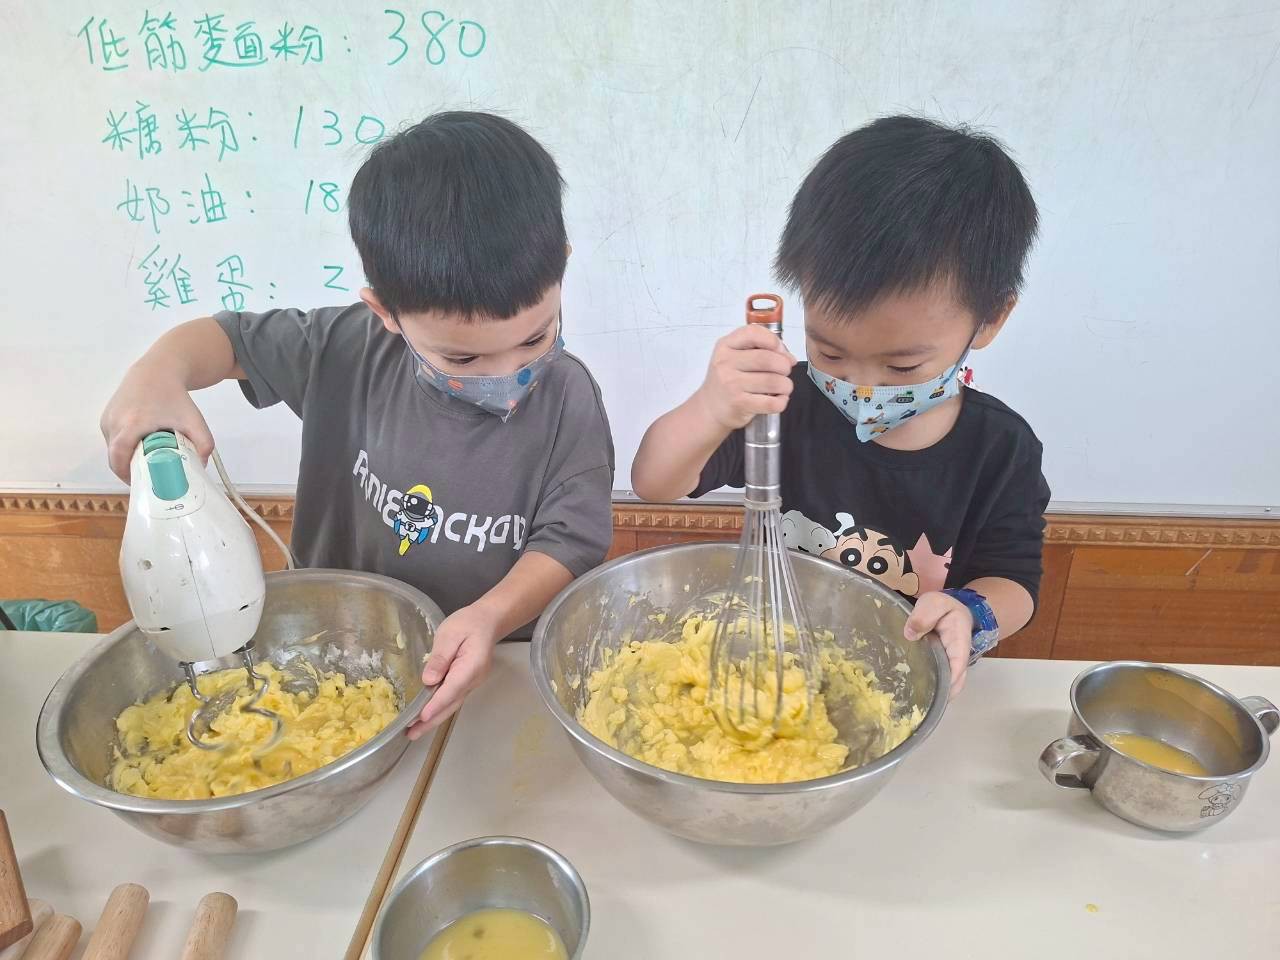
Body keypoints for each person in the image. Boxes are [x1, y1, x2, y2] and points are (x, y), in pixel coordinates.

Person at [102, 111, 615, 735]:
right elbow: (226, 339)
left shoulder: (568, 398)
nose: (507, 374)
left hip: (495, 674)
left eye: (536, 337)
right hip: (331, 661)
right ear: (386, 313)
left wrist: (489, 616)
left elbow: (569, 542)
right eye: (462, 358)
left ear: (562, 268)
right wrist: (156, 372)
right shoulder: (346, 349)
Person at [631, 115, 1050, 697]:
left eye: (902, 367)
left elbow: (1015, 582)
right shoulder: (782, 403)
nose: (862, 386)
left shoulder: (1000, 448)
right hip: (774, 665)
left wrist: (970, 611)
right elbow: (655, 482)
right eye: (829, 351)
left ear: (991, 319)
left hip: (906, 681)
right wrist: (711, 405)